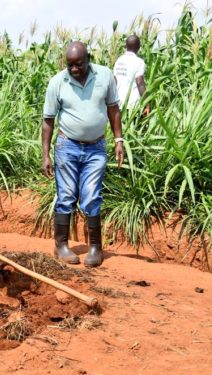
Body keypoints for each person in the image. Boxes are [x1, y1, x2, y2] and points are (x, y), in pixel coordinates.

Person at [41, 41, 124, 267]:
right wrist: (45, 154)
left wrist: (119, 140)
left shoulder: (105, 76)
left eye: (79, 64)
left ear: (88, 58)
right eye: (70, 65)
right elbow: (48, 121)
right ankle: (61, 245)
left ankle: (96, 247)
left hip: (96, 147)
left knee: (92, 195)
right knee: (66, 195)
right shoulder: (57, 82)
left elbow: (113, 109)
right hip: (67, 146)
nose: (75, 69)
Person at [113, 35, 150, 115]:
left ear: (125, 46)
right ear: (139, 47)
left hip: (118, 104)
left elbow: (114, 82)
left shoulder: (119, 61)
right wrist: (147, 104)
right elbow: (140, 83)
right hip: (133, 106)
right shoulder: (139, 62)